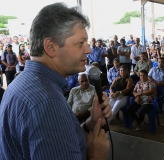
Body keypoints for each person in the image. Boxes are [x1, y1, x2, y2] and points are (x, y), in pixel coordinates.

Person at [0, 3, 111, 159]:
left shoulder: (20, 83)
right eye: (80, 43)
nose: (88, 50)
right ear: (51, 47)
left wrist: (90, 123)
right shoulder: (47, 102)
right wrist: (95, 157)